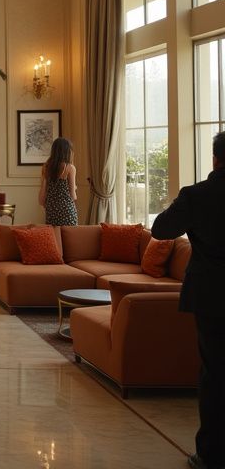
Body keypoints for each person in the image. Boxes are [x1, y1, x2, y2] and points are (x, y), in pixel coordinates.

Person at [151, 132, 225, 469]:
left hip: (212, 295)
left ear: (214, 159)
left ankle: (211, 454)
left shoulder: (198, 195)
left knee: (215, 374)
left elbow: (161, 229)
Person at [39, 137, 78, 226]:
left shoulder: (46, 168)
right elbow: (73, 196)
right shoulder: (70, 168)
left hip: (51, 212)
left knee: (54, 239)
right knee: (69, 239)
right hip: (67, 212)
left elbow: (41, 199)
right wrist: (74, 188)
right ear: (67, 151)